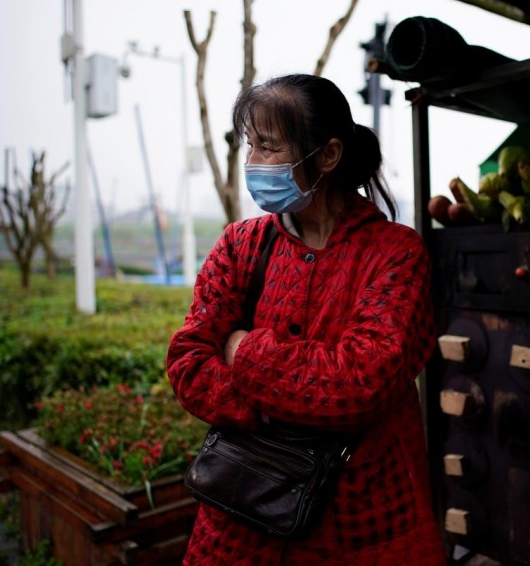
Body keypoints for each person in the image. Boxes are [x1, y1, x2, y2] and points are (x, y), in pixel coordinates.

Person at [166, 73, 447, 565]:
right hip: (240, 524)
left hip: (366, 524)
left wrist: (242, 350)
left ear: (328, 155)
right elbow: (188, 364)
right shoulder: (240, 245)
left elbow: (361, 384)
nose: (252, 163)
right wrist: (280, 412)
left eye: (269, 148)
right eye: (250, 146)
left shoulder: (396, 254)